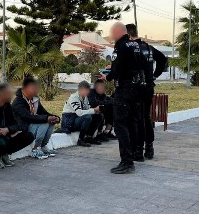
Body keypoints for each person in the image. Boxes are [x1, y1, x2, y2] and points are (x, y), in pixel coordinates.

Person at [102, 22, 144, 174]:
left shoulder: (120, 46)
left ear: (118, 32)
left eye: (112, 32)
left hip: (125, 90)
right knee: (132, 123)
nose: (111, 36)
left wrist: (107, 76)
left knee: (120, 124)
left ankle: (126, 162)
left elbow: (117, 70)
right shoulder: (136, 45)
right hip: (137, 89)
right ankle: (134, 153)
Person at [126, 24, 168, 160]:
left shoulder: (131, 49)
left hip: (136, 89)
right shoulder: (149, 48)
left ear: (128, 35)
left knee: (136, 119)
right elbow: (163, 60)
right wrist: (154, 76)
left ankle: (138, 150)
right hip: (148, 88)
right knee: (146, 117)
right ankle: (149, 147)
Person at [0, 83, 35, 169]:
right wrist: (4, 132)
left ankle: (4, 153)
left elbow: (16, 124)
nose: (12, 96)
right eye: (9, 93)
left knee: (29, 136)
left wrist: (8, 129)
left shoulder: (7, 106)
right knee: (2, 141)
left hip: (6, 135)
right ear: (3, 94)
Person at [12, 78, 59, 159]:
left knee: (51, 122)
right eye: (33, 88)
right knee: (45, 122)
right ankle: (35, 149)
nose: (35, 90)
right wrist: (46, 118)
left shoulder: (35, 99)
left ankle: (43, 146)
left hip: (31, 124)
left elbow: (44, 112)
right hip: (22, 128)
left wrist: (55, 117)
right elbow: (27, 117)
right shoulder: (18, 102)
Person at [61, 81, 105, 147]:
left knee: (99, 116)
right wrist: (94, 110)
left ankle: (89, 137)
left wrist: (96, 111)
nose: (88, 92)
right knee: (87, 117)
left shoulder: (85, 97)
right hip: (70, 121)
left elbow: (88, 109)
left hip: (78, 119)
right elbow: (79, 113)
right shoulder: (74, 97)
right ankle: (80, 139)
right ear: (80, 90)